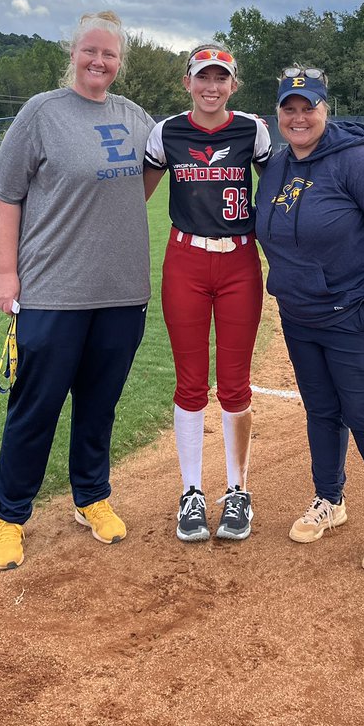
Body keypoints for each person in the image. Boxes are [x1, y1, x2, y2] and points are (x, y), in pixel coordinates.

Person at [0, 11, 154, 570]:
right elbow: (5, 195)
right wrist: (6, 273)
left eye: (109, 54)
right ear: (73, 53)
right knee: (35, 408)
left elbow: (150, 174)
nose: (98, 61)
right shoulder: (42, 113)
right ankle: (9, 516)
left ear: (120, 61)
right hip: (53, 289)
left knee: (99, 406)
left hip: (122, 292)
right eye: (89, 50)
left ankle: (92, 498)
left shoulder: (135, 118)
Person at [254, 67, 364, 573]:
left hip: (353, 312)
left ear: (326, 109)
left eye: (310, 107)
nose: (300, 117)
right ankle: (330, 500)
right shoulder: (279, 166)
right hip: (299, 312)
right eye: (290, 108)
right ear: (278, 114)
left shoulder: (355, 160)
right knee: (322, 410)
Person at [144, 44, 272, 541]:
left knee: (236, 382)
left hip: (240, 261)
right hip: (187, 261)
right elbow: (137, 194)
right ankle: (192, 492)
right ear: (187, 82)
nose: (211, 87)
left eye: (221, 78)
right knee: (191, 381)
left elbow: (280, 186)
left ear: (233, 85)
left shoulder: (252, 129)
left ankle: (238, 491)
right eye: (203, 77)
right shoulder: (167, 131)